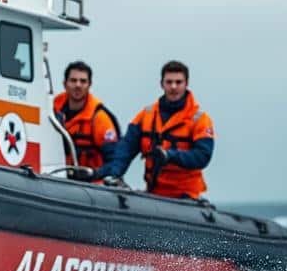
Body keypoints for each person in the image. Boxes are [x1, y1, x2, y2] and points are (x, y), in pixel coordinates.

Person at [98, 60, 215, 199]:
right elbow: (126, 147)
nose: (173, 87)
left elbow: (202, 156)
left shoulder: (199, 119)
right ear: (162, 84)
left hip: (186, 195)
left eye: (178, 82)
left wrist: (170, 155)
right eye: (169, 82)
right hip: (154, 193)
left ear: (186, 84)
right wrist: (114, 174)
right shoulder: (146, 115)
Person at [52, 60, 121, 180]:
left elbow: (115, 162)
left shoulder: (99, 119)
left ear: (89, 85)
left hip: (92, 184)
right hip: (58, 178)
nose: (78, 85)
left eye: (83, 81)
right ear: (65, 84)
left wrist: (94, 174)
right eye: (73, 80)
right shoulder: (52, 111)